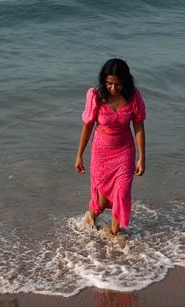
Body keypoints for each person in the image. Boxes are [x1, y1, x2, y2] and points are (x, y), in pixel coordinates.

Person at [75, 58, 146, 236]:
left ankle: (114, 235)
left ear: (125, 82)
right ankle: (90, 219)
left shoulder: (133, 96)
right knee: (102, 201)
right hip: (101, 151)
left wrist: (141, 157)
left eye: (118, 84)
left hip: (125, 151)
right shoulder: (96, 96)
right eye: (109, 83)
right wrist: (79, 155)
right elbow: (88, 126)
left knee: (121, 194)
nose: (113, 88)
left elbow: (138, 126)